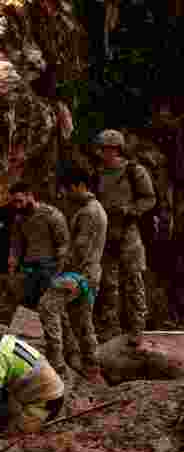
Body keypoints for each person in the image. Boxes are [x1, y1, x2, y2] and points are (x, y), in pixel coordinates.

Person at [37, 167, 108, 382]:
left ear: (79, 186)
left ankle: (57, 363)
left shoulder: (88, 213)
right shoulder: (95, 208)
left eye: (68, 189)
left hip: (80, 274)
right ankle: (90, 365)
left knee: (47, 306)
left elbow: (79, 250)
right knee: (82, 320)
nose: (66, 194)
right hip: (91, 273)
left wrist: (58, 274)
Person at [91, 128, 155, 347]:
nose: (101, 153)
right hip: (106, 233)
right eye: (100, 149)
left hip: (128, 232)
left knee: (133, 280)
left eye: (105, 149)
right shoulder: (98, 173)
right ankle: (111, 328)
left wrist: (130, 210)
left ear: (115, 149)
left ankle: (137, 328)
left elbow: (149, 199)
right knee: (108, 284)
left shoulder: (134, 171)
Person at [0, 182, 69, 327]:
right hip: (28, 268)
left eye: (20, 201)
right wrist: (12, 261)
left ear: (30, 196)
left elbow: (63, 245)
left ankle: (68, 346)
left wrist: (59, 273)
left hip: (50, 268)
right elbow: (16, 243)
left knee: (54, 309)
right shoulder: (20, 218)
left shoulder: (51, 215)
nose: (17, 206)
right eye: (14, 202)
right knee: (6, 300)